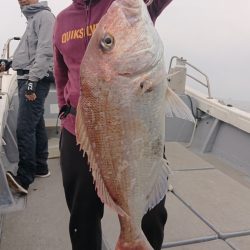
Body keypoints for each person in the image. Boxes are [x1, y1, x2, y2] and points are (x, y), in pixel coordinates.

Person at [53, 0, 173, 249]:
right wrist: (64, 112)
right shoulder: (62, 20)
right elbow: (60, 71)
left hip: (134, 131)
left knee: (151, 217)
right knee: (82, 216)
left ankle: (136, 238)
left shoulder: (126, 5)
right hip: (78, 130)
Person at [0, 0, 55, 195]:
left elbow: (45, 52)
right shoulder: (32, 19)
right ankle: (41, 166)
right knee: (36, 124)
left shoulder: (44, 17)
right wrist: (9, 63)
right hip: (27, 77)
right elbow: (28, 52)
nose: (22, 0)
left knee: (24, 128)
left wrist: (32, 81)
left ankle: (24, 177)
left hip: (35, 80)